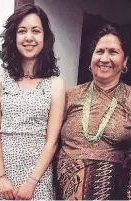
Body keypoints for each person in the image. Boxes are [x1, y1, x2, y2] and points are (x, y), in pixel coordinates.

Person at [0, 3, 66, 200]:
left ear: (44, 38)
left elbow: (52, 141)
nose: (29, 37)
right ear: (13, 37)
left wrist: (32, 182)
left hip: (38, 177)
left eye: (36, 31)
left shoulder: (56, 84)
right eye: (22, 31)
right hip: (3, 176)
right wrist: (1, 177)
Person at [56, 23, 131, 200]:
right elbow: (50, 141)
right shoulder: (69, 96)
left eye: (113, 52)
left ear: (125, 61)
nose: (104, 58)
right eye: (99, 51)